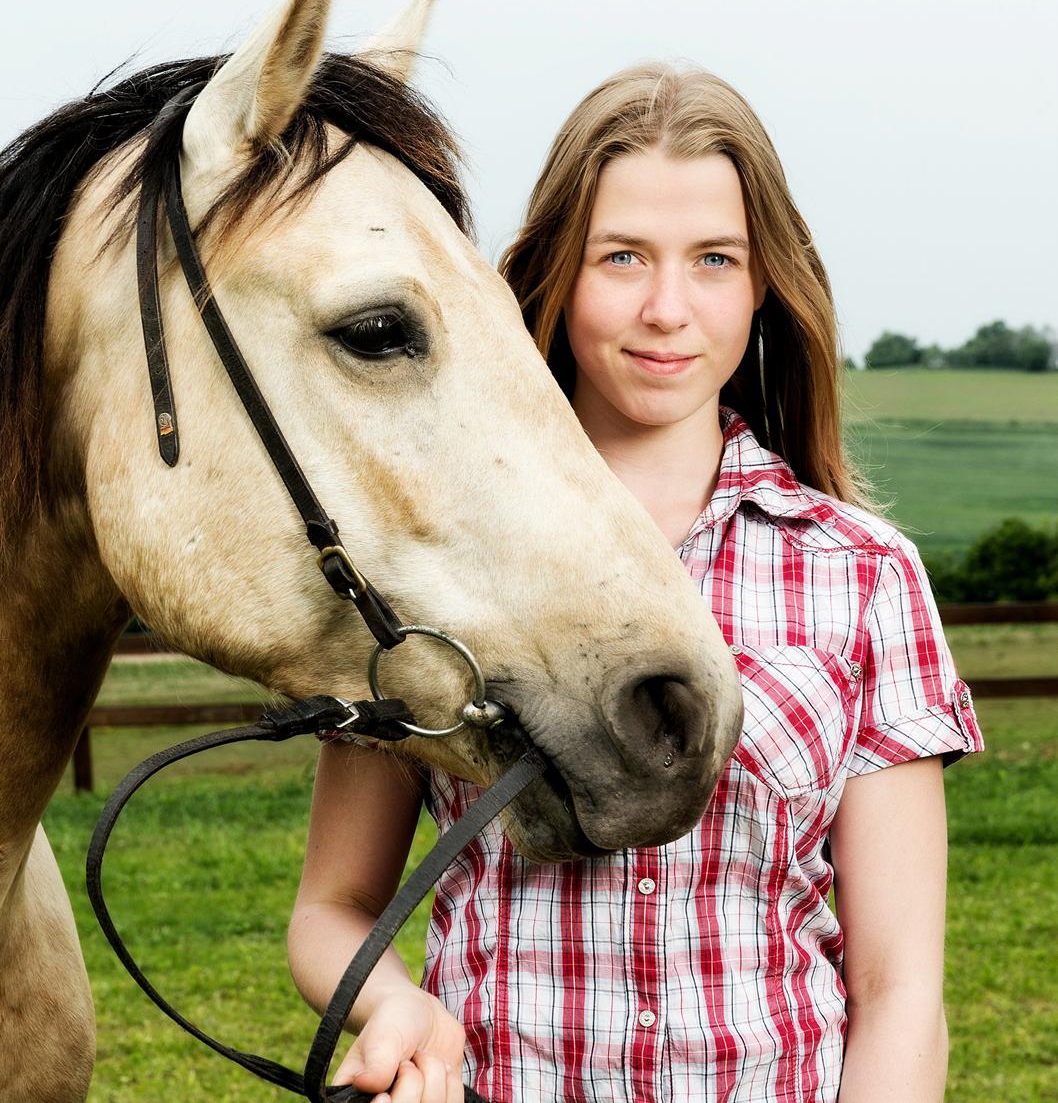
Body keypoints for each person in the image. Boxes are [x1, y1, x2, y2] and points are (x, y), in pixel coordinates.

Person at [287, 62, 983, 1103]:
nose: (668, 308)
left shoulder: (862, 577)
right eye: (622, 257)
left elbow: (897, 994)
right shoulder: (431, 568)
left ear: (763, 285)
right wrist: (393, 1002)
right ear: (559, 274)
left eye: (713, 259)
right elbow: (332, 907)